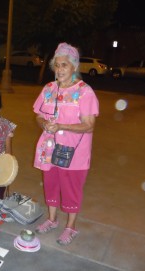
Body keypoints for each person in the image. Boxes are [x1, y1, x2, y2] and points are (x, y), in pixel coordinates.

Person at [33, 42, 99, 245]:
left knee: (71, 188)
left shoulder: (84, 92)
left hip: (74, 153)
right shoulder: (49, 89)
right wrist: (45, 123)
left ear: (74, 67)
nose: (60, 69)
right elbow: (37, 115)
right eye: (57, 65)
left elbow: (89, 125)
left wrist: (61, 126)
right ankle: (52, 220)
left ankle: (71, 227)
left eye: (64, 65)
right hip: (50, 148)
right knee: (51, 183)